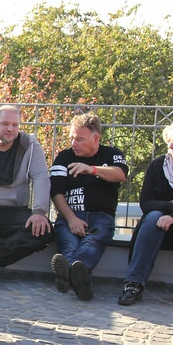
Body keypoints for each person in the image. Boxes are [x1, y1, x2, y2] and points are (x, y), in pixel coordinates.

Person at [0, 105, 53, 284]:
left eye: (15, 125)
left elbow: (41, 177)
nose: (10, 129)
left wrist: (39, 212)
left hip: (12, 211)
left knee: (43, 231)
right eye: (5, 124)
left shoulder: (30, 145)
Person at [49, 112, 129, 300]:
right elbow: (56, 193)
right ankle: (80, 278)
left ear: (96, 138)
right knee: (68, 243)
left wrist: (92, 170)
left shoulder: (112, 154)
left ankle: (70, 273)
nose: (74, 143)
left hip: (101, 216)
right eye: (72, 138)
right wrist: (71, 219)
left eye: (79, 139)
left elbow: (120, 175)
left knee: (92, 242)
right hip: (70, 215)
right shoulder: (64, 157)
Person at [117, 120, 173, 305]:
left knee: (159, 216)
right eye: (169, 140)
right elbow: (146, 203)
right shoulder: (158, 166)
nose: (171, 145)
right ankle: (133, 284)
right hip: (157, 228)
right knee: (153, 216)